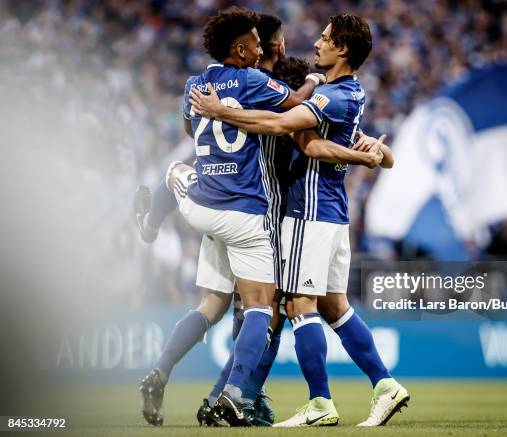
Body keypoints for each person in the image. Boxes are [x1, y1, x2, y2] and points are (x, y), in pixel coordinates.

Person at [139, 8, 383, 427]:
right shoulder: (260, 84)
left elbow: (189, 126)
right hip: (252, 213)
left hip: (207, 202)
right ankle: (236, 395)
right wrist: (314, 82)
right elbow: (294, 112)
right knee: (262, 308)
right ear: (247, 48)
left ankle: (161, 369)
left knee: (210, 304)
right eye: (259, 40)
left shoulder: (195, 83)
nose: (267, 45)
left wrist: (218, 114)